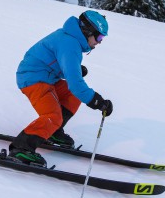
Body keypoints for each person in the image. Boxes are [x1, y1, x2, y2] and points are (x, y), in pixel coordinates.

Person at [8, 10, 114, 167]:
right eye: (99, 37)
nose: (99, 42)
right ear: (87, 31)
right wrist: (97, 101)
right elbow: (76, 84)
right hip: (33, 79)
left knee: (73, 95)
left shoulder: (70, 39)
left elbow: (56, 62)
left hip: (46, 77)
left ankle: (53, 132)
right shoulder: (70, 45)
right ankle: (21, 147)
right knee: (53, 115)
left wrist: (73, 69)